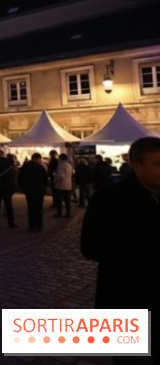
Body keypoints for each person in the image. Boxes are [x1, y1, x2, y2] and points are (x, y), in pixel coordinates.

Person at [81, 137, 160, 337]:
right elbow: (90, 247)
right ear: (135, 165)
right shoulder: (107, 200)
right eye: (158, 164)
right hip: (127, 298)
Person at [16, 152, 48, 232]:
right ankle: (39, 224)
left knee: (31, 208)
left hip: (29, 190)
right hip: (39, 190)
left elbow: (20, 178)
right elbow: (45, 179)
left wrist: (22, 187)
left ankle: (32, 225)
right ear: (37, 159)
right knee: (39, 208)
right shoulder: (41, 167)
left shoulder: (26, 166)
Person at [53, 153, 73, 218]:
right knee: (67, 201)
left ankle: (59, 213)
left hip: (61, 185)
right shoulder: (69, 165)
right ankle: (68, 213)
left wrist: (55, 180)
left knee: (59, 200)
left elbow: (60, 176)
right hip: (68, 185)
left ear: (60, 158)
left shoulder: (61, 165)